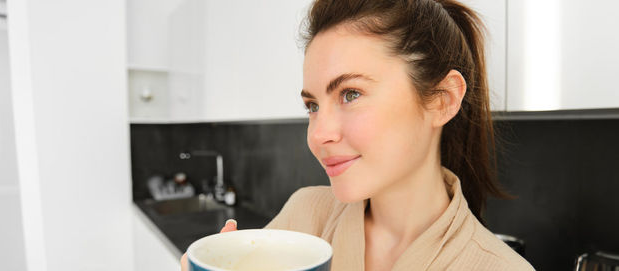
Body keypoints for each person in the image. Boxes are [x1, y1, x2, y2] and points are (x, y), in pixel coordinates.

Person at [182, 0, 534, 270]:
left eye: (351, 94)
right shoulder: (306, 217)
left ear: (442, 100)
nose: (318, 135)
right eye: (312, 106)